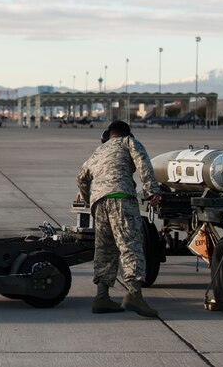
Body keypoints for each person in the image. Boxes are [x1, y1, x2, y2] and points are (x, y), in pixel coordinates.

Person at [76, 120, 162, 317]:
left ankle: (102, 297)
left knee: (105, 248)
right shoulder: (129, 142)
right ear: (127, 133)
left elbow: (81, 177)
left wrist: (89, 198)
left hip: (99, 203)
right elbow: (143, 163)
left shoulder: (100, 150)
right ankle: (134, 296)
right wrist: (152, 191)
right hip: (121, 198)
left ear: (109, 134)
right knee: (130, 245)